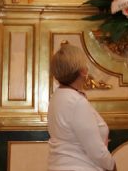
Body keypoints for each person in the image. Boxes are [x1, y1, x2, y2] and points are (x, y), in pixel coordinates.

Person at [48, 43, 117, 171]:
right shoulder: (76, 102)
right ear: (82, 71)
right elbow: (96, 151)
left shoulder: (57, 96)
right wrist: (112, 166)